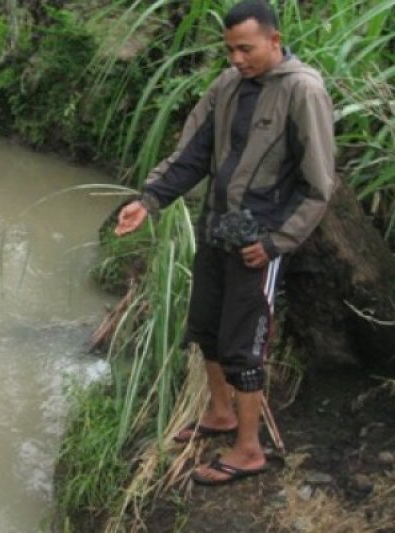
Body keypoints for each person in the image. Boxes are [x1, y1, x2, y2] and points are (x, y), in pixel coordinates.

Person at [114, 0, 335, 485]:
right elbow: (191, 155)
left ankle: (249, 450)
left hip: (259, 243)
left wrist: (277, 242)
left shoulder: (303, 91)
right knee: (206, 330)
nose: (236, 58)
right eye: (230, 49)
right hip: (216, 230)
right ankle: (219, 414)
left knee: (243, 346)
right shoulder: (227, 86)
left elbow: (318, 185)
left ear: (274, 41)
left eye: (246, 49)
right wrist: (148, 201)